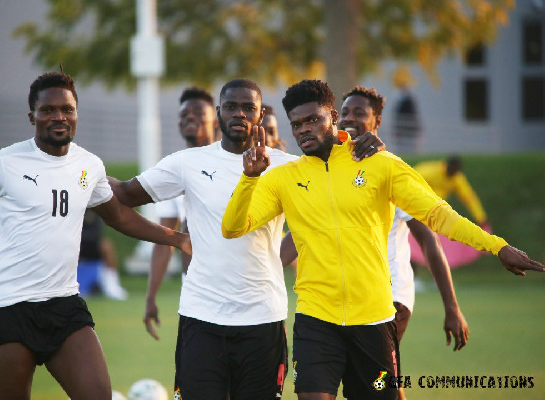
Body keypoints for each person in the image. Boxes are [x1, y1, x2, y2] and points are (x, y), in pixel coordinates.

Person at [221, 79, 544, 400]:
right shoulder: (283, 178)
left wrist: (497, 246)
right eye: (297, 124)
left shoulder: (380, 164)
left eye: (312, 120)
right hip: (316, 320)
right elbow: (233, 227)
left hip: (374, 319)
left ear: (333, 116)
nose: (304, 130)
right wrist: (249, 179)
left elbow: (439, 215)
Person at [109, 78, 386, 400]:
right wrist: (80, 168)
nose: (239, 113)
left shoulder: (288, 167)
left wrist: (373, 148)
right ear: (218, 113)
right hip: (202, 317)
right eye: (231, 107)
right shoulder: (188, 163)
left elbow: (335, 184)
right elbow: (126, 194)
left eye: (248, 108)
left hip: (263, 317)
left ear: (260, 114)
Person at [0, 71, 191, 400]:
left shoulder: (88, 165)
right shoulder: (2, 163)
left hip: (64, 306)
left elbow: (118, 216)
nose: (59, 116)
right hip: (10, 308)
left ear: (76, 114)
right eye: (48, 110)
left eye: (67, 109)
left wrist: (175, 238)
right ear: (32, 116)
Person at [338, 86, 469, 400]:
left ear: (378, 121)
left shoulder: (392, 172)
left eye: (359, 113)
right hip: (349, 297)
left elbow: (428, 242)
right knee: (373, 383)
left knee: (377, 382)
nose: (349, 118)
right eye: (344, 112)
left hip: (390, 297)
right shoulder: (335, 170)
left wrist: (452, 307)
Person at [146, 87, 217, 340]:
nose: (189, 117)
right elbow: (165, 240)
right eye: (184, 114)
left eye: (198, 112)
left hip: (236, 289)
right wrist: (151, 296)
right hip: (195, 296)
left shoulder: (232, 161)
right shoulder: (174, 169)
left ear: (216, 120)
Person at [413, 156, 489, 227]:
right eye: (452, 169)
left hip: (433, 210)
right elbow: (410, 181)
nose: (452, 172)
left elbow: (469, 198)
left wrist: (480, 218)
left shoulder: (457, 178)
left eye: (455, 171)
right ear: (446, 165)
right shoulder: (432, 172)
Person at [77, 208, 127, 300]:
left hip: (93, 246)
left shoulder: (96, 211)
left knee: (106, 246)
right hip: (78, 245)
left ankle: (112, 286)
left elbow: (98, 233)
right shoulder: (75, 209)